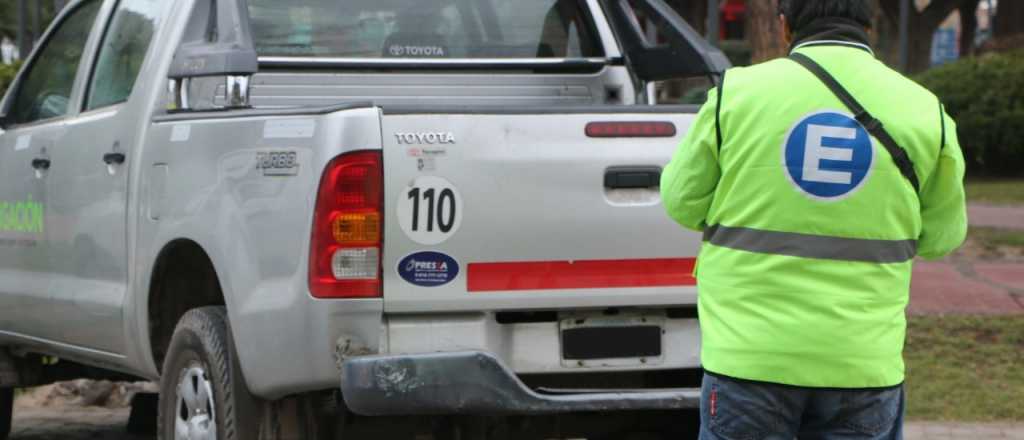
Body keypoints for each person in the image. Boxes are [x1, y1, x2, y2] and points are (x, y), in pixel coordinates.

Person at [659, 0, 967, 439]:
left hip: (749, 358)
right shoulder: (924, 109)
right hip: (861, 363)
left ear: (784, 28)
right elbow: (942, 237)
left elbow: (681, 202)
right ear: (871, 27)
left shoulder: (736, 95)